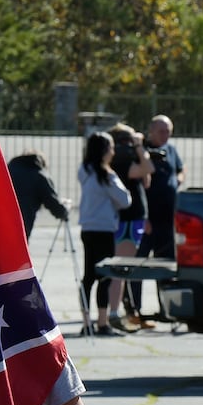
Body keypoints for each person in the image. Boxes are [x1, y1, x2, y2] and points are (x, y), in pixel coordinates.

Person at [76, 131, 132, 336]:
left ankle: (85, 320)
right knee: (105, 276)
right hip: (104, 229)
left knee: (88, 276)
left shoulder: (84, 170)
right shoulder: (107, 175)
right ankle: (102, 321)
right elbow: (125, 200)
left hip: (87, 228)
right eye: (111, 147)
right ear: (104, 151)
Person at [134, 115, 186, 322]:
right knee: (137, 264)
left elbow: (181, 169)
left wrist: (177, 179)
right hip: (148, 218)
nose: (166, 135)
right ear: (151, 131)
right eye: (162, 131)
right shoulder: (142, 150)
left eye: (169, 131)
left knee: (165, 265)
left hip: (167, 218)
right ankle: (135, 309)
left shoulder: (171, 149)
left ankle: (166, 310)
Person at [108, 124, 152, 331]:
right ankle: (114, 313)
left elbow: (147, 180)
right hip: (127, 219)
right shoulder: (121, 160)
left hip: (135, 219)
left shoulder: (129, 158)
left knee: (124, 269)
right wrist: (139, 147)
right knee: (120, 268)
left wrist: (140, 152)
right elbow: (148, 169)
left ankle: (119, 311)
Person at [8, 150, 69, 239]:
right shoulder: (39, 176)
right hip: (21, 225)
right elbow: (52, 202)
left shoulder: (7, 170)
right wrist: (64, 211)